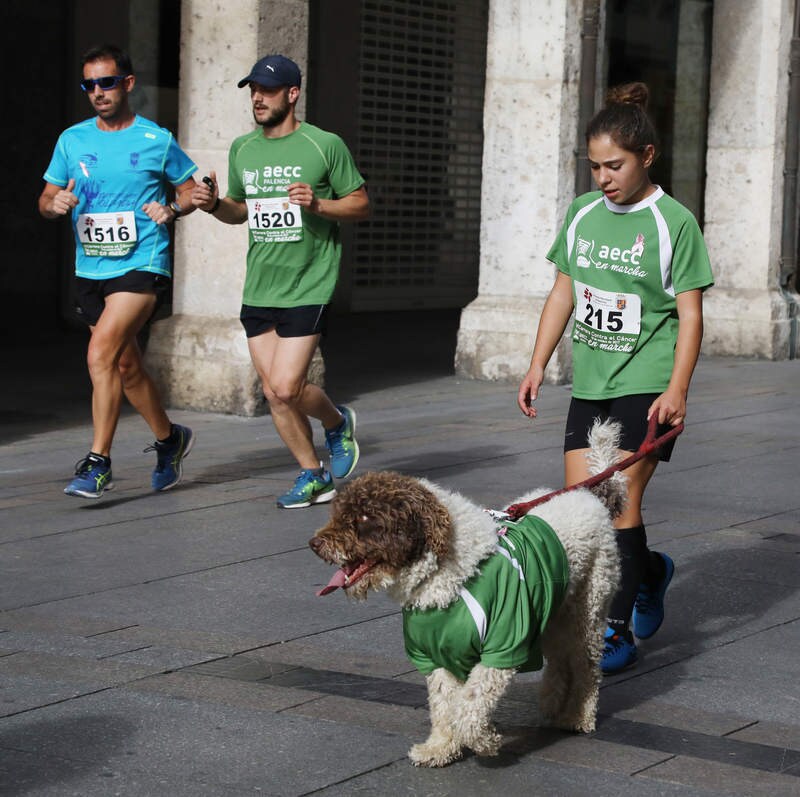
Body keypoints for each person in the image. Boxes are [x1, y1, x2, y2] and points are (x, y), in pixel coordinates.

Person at [516, 82, 714, 674]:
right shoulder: (581, 212)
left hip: (648, 384)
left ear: (647, 157)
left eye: (615, 165)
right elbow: (564, 292)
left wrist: (677, 389)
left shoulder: (673, 222)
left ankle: (615, 626)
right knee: (585, 508)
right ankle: (651, 572)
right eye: (594, 164)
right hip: (592, 383)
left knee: (615, 505)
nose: (602, 177)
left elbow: (691, 314)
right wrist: (537, 361)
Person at [191, 54, 370, 510]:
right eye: (253, 90)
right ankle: (314, 475)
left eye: (267, 91)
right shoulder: (243, 149)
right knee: (273, 391)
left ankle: (335, 423)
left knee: (287, 388)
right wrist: (213, 205)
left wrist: (319, 206)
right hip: (260, 286)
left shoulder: (323, 145)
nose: (257, 98)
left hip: (309, 282)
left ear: (292, 94)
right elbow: (240, 209)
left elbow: (360, 203)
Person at [39, 44, 198, 499]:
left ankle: (98, 462)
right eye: (89, 84)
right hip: (91, 267)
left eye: (106, 82)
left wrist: (171, 208)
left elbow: (188, 192)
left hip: (141, 262)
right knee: (126, 366)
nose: (98, 92)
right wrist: (55, 204)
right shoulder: (72, 140)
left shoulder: (156, 139)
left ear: (128, 84)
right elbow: (45, 199)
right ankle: (171, 440)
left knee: (99, 355)